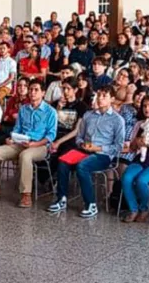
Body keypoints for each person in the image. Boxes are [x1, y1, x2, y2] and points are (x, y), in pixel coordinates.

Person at [0, 79, 58, 207]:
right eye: (31, 89)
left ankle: (26, 195)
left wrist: (34, 144)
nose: (32, 92)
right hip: (21, 143)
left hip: (40, 146)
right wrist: (11, 138)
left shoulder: (50, 111)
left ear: (43, 93)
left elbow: (51, 135)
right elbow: (17, 129)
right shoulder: (24, 109)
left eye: (36, 90)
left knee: (25, 156)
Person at [46, 87, 126, 219]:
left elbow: (118, 146)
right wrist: (82, 144)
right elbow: (79, 137)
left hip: (103, 155)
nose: (100, 99)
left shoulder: (117, 120)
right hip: (84, 150)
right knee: (63, 161)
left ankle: (91, 204)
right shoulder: (88, 115)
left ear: (112, 99)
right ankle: (61, 198)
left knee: (82, 166)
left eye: (104, 96)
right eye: (99, 95)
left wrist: (98, 148)